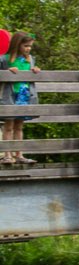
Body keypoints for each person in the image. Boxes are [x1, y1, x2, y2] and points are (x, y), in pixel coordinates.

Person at [1, 32, 39, 166]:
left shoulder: (30, 60)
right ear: (17, 44)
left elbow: (31, 74)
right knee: (8, 126)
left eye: (30, 46)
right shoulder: (5, 59)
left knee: (19, 126)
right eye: (25, 46)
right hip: (10, 95)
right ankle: (7, 155)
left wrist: (34, 70)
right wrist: (7, 72)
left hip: (25, 94)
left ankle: (19, 154)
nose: (28, 49)